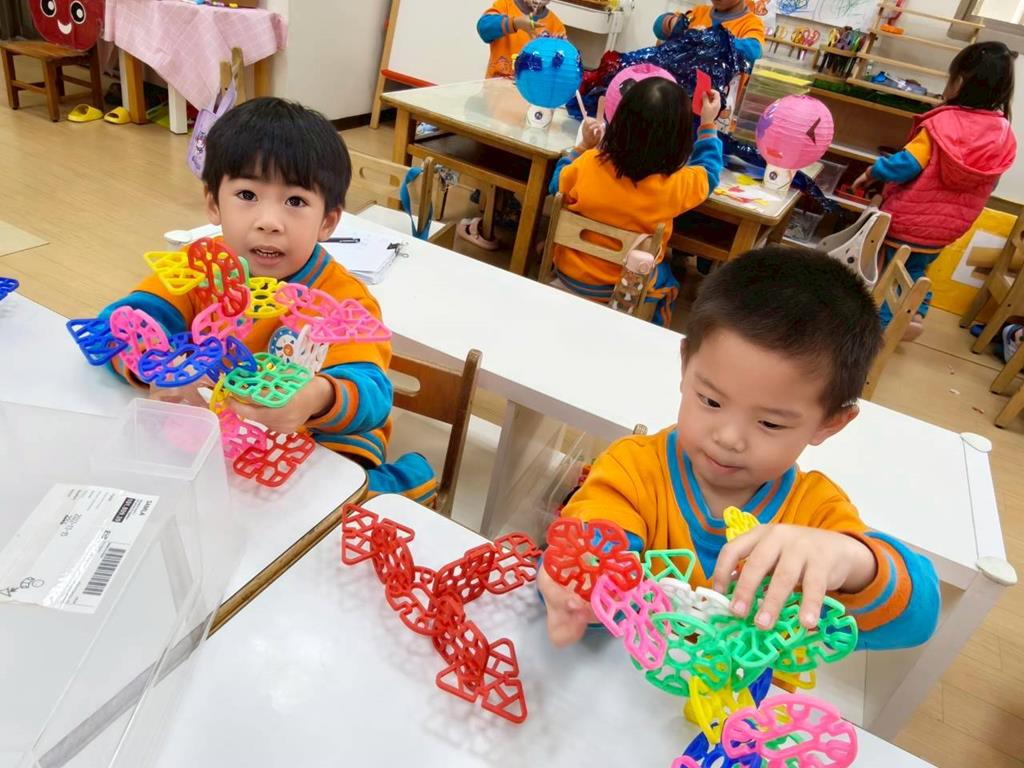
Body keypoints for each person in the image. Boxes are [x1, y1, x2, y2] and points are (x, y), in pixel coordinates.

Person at [538, 247, 940, 650]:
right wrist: (575, 591)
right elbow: (587, 549)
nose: (729, 437)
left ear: (829, 423)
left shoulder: (814, 514)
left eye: (770, 423)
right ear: (686, 366)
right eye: (711, 401)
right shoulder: (631, 471)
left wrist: (852, 561)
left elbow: (918, 620)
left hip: (744, 692)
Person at [100, 98, 435, 502]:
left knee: (327, 505)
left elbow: (374, 395)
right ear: (213, 203)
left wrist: (315, 397)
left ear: (328, 221)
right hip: (222, 435)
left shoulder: (341, 298)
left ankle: (405, 483)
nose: (269, 222)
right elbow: (117, 326)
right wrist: (155, 369)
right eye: (247, 194)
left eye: (295, 202)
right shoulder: (198, 268)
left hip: (318, 440)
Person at [854, 41, 1018, 340]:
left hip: (908, 222)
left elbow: (905, 165)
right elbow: (990, 183)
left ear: (960, 81)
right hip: (948, 228)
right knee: (918, 269)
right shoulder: (1003, 133)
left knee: (889, 272)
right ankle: (916, 313)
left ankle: (883, 329)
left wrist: (872, 172)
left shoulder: (941, 124)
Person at [548, 77, 723, 325]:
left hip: (569, 274)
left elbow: (556, 185)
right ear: (679, 139)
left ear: (619, 121)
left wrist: (582, 147)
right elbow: (710, 172)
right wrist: (707, 124)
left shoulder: (588, 163)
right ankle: (648, 332)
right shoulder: (675, 185)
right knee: (669, 283)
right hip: (625, 288)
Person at [653, 0, 766, 64]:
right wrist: (671, 24)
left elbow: (754, 52)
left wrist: (713, 38)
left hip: (720, 96)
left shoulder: (751, 23)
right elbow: (660, 29)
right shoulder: (698, 12)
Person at [477, 0, 566, 79]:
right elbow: (483, 28)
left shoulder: (556, 25)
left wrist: (558, 51)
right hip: (496, 87)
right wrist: (514, 23)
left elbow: (558, 70)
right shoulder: (505, 5)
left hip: (531, 89)